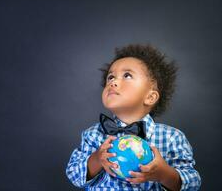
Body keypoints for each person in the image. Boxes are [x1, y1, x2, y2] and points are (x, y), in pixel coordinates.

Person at [66, 44, 201, 190]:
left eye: (127, 75)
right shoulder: (92, 135)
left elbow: (193, 183)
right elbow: (74, 175)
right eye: (110, 77)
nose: (113, 82)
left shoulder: (172, 138)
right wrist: (96, 159)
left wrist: (163, 174)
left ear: (150, 97)